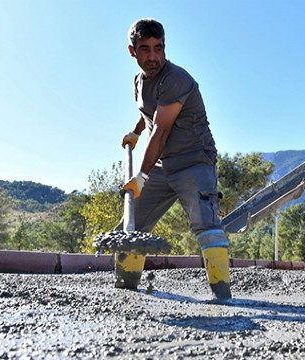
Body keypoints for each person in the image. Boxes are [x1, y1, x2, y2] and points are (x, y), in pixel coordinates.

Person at [119, 18, 231, 300]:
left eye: (159, 48)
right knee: (131, 226)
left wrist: (141, 177)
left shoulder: (176, 79)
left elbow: (161, 129)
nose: (153, 56)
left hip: (194, 160)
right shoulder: (139, 80)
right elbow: (149, 112)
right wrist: (135, 131)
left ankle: (223, 296)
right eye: (145, 49)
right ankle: (126, 290)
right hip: (161, 162)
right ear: (132, 51)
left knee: (207, 226)